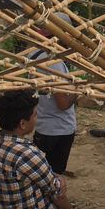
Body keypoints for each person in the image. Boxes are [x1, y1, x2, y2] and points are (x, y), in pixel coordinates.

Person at [27, 41, 78, 176]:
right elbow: (63, 104)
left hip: (42, 126)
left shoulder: (34, 54)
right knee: (54, 175)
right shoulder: (54, 63)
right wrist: (78, 91)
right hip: (59, 129)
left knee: (39, 172)